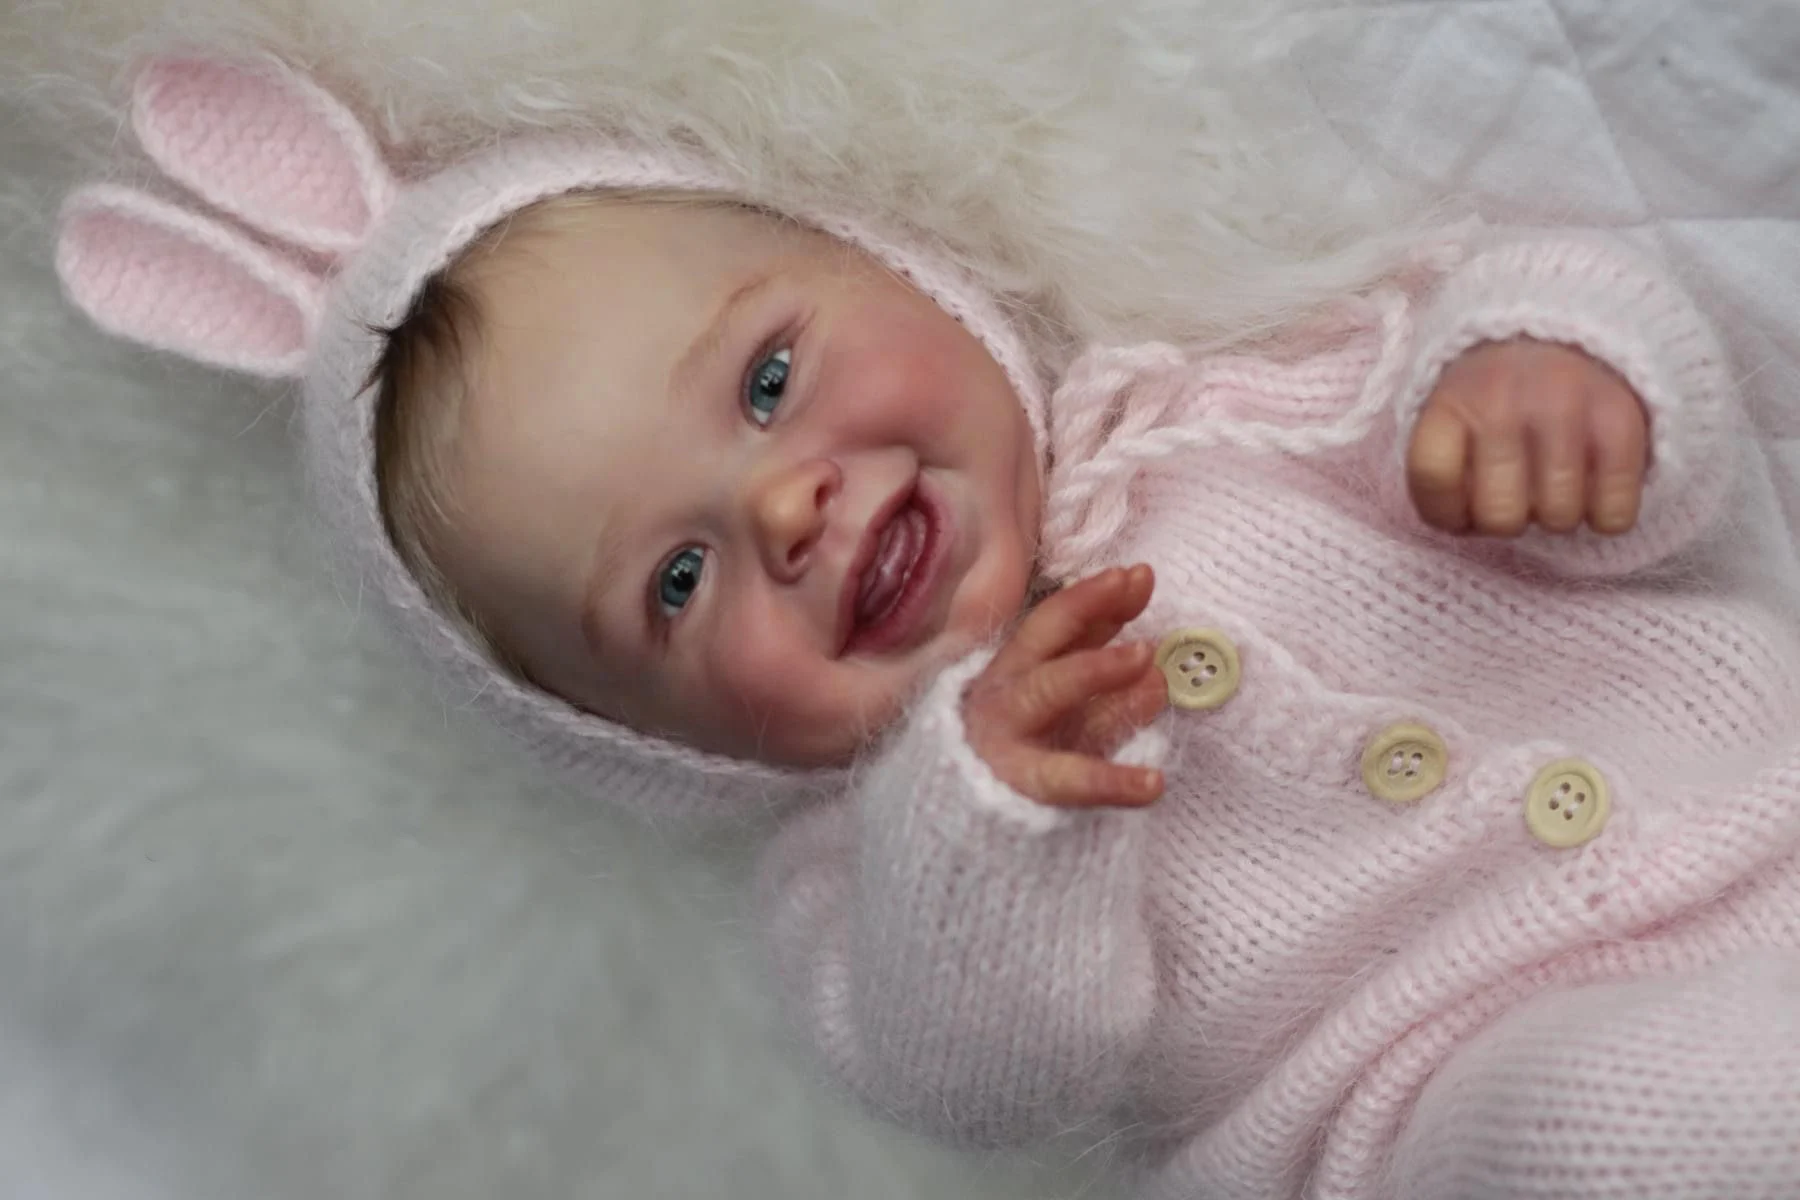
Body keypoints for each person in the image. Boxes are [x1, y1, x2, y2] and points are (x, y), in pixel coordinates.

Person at [56, 53, 1800, 1199]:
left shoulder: (1249, 398)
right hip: (1431, 1116)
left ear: (901, 276)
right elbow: (991, 1079)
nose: (785, 508)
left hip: (1755, 819)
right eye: (677, 584)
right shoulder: (866, 879)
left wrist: (1555, 374)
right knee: (1627, 1123)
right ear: (659, 744)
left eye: (766, 380)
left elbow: (1598, 432)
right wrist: (986, 819)